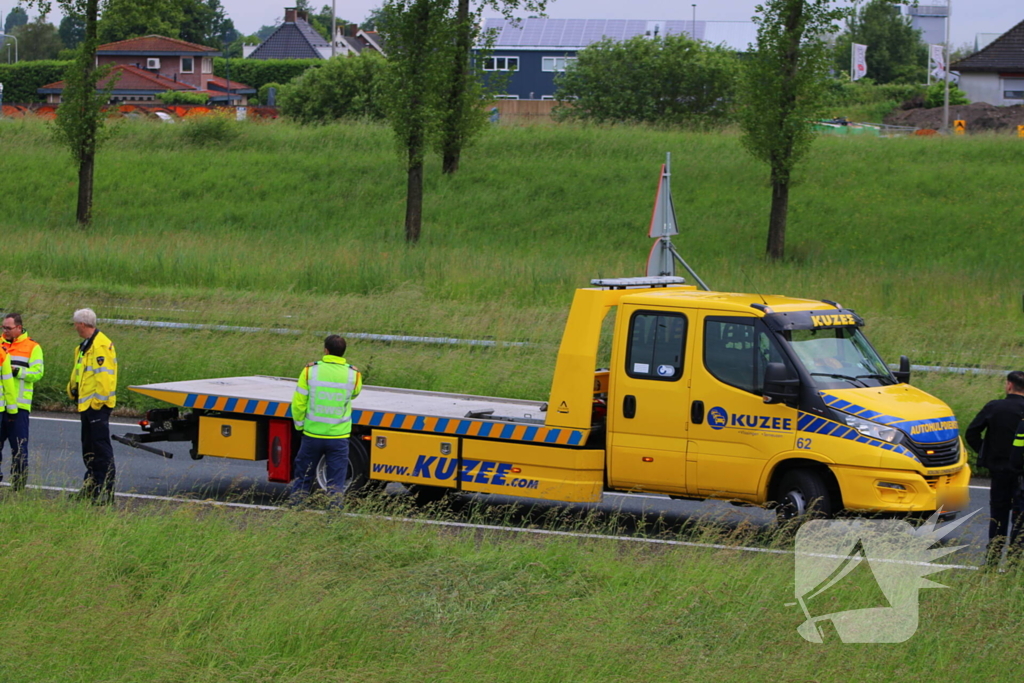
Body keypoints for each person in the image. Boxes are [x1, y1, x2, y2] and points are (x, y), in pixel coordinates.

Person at [289, 334, 361, 508]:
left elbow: (299, 403)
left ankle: (296, 510)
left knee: (303, 476)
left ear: (325, 350)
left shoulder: (310, 370)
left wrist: (299, 426)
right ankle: (333, 517)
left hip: (312, 434)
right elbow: (355, 394)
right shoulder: (354, 374)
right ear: (343, 352)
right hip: (338, 437)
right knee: (336, 481)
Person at [965, 371, 1024, 559]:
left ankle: (992, 558)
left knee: (998, 516)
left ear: (1009, 385)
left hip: (999, 470)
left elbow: (972, 433)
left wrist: (985, 451)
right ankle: (1015, 561)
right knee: (1020, 518)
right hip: (1022, 473)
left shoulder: (995, 407)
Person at [67, 309, 118, 504]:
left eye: (75, 323)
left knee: (101, 450)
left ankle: (106, 491)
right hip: (85, 404)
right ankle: (90, 488)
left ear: (82, 324)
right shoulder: (85, 346)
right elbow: (80, 373)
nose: (74, 327)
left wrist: (97, 403)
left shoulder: (101, 345)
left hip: (97, 406)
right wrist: (72, 389)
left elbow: (105, 378)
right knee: (88, 448)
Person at [0, 314, 44, 491]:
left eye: (8, 328)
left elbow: (37, 373)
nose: (4, 331)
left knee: (19, 449)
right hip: (1, 406)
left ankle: (18, 486)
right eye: (3, 327)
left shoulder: (32, 347)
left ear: (19, 328)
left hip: (19, 407)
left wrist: (16, 371)